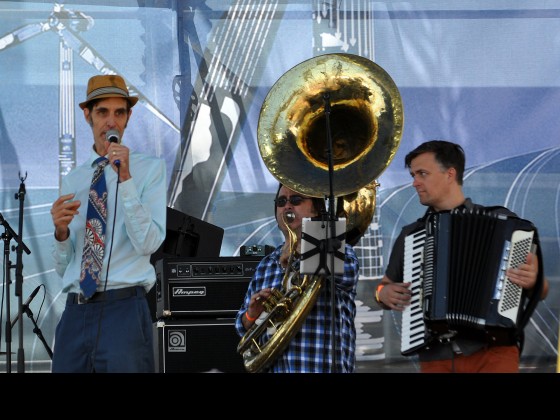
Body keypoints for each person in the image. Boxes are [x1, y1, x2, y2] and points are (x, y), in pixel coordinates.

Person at [376, 140, 548, 373]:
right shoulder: (411, 235)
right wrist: (383, 294)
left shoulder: (505, 225)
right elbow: (385, 286)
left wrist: (533, 280)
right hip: (436, 355)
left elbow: (542, 289)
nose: (415, 182)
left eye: (422, 174)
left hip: (494, 352)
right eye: (413, 175)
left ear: (450, 174)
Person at [49, 74, 167, 373]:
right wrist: (61, 234)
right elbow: (65, 266)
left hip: (123, 310)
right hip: (75, 311)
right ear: (88, 115)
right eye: (103, 112)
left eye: (120, 112)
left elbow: (149, 244)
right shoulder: (74, 179)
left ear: (128, 118)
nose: (111, 121)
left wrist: (125, 179)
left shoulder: (150, 170)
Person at [235, 183, 360, 373]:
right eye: (281, 201)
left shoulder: (339, 250)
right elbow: (241, 328)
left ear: (317, 209)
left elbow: (348, 275)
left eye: (296, 200)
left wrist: (303, 251)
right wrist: (252, 314)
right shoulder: (266, 264)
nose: (287, 206)